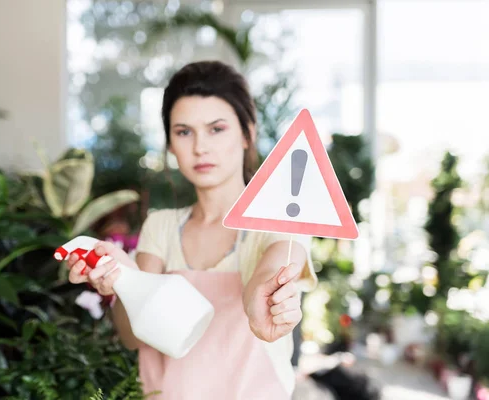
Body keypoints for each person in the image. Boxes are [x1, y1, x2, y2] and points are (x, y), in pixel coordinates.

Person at [67, 60, 318, 399]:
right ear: (170, 145)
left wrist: (265, 303)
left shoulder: (281, 223)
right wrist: (122, 281)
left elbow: (267, 275)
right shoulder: (161, 225)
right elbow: (131, 337)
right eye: (184, 132)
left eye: (216, 129)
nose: (200, 147)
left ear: (247, 134)